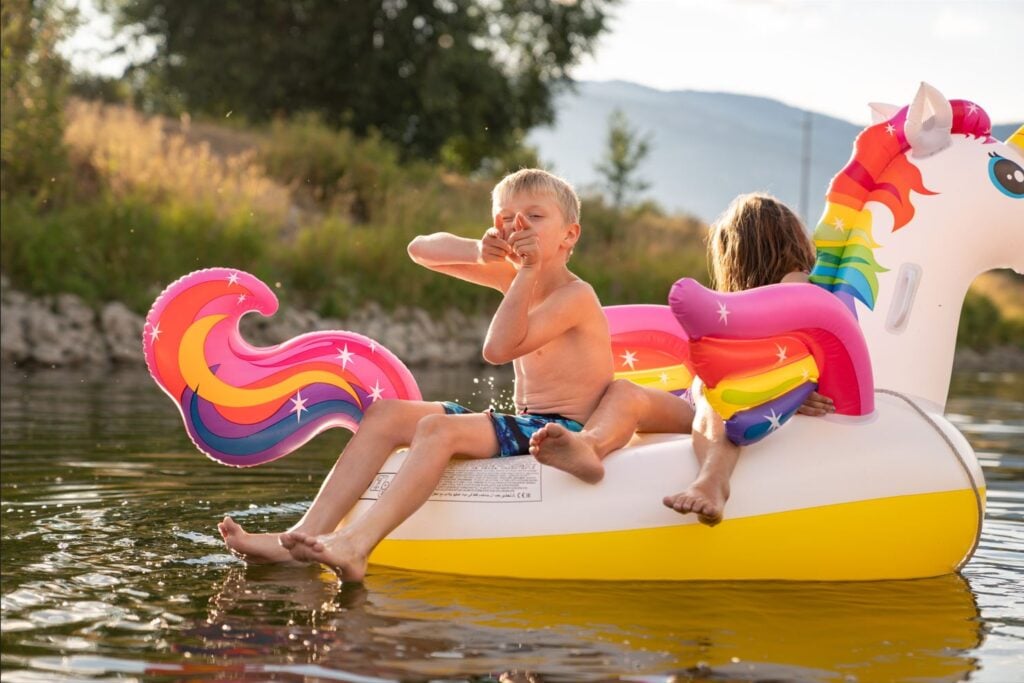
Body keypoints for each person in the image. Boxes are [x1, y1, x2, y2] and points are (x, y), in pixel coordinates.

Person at [218, 168, 613, 580]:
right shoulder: (513, 277)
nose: (518, 226)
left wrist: (525, 273)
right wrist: (479, 250)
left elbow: (497, 350)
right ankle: (302, 535)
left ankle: (356, 544)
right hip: (522, 420)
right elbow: (420, 249)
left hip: (561, 429)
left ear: (569, 235)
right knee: (386, 414)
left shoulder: (575, 295)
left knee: (437, 430)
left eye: (534, 217)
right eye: (507, 218)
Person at [529, 192, 835, 524]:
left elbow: (811, 343)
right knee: (626, 391)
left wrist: (790, 393)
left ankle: (713, 482)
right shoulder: (730, 305)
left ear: (737, 254)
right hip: (701, 398)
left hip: (740, 398)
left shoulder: (798, 284)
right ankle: (590, 445)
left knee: (714, 387)